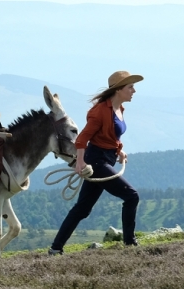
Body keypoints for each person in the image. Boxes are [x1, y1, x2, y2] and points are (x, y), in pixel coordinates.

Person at [49, 71, 142, 254]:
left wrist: (119, 150)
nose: (134, 90)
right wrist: (80, 163)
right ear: (118, 90)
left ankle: (55, 248)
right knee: (132, 196)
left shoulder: (119, 109)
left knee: (82, 209)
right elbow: (82, 139)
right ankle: (130, 245)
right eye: (130, 87)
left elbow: (110, 136)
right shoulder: (99, 111)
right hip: (96, 162)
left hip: (106, 159)